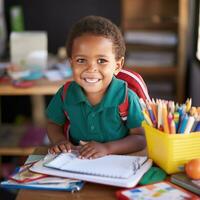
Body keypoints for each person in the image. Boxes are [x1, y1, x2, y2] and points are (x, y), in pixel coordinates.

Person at [46, 15, 146, 159]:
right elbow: (53, 123)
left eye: (101, 60)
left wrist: (107, 148)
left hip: (118, 164)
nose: (91, 68)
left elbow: (140, 139)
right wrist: (59, 141)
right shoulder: (65, 93)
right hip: (77, 162)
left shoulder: (127, 98)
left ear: (117, 65)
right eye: (81, 60)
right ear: (71, 64)